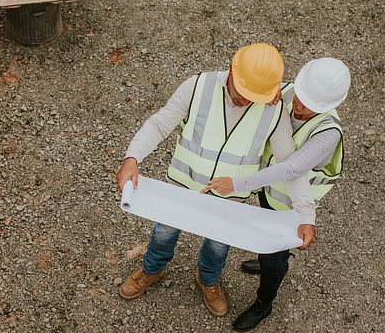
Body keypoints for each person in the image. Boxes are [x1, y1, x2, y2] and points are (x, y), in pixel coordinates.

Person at [116, 43, 316, 317]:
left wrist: (307, 215)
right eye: (245, 94)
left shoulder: (273, 108)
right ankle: (152, 269)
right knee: (164, 233)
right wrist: (132, 157)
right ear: (232, 72)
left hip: (229, 200)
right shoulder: (197, 86)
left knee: (219, 244)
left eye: (255, 97)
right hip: (182, 187)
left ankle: (208, 279)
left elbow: (289, 165)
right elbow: (160, 123)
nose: (247, 101)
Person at [201, 57, 348, 330]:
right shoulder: (290, 91)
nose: (299, 105)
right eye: (300, 96)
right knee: (266, 246)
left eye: (310, 106)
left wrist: (236, 184)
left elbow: (291, 168)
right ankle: (269, 259)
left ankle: (264, 303)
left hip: (291, 207)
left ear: (328, 106)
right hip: (267, 191)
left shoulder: (328, 135)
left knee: (273, 259)